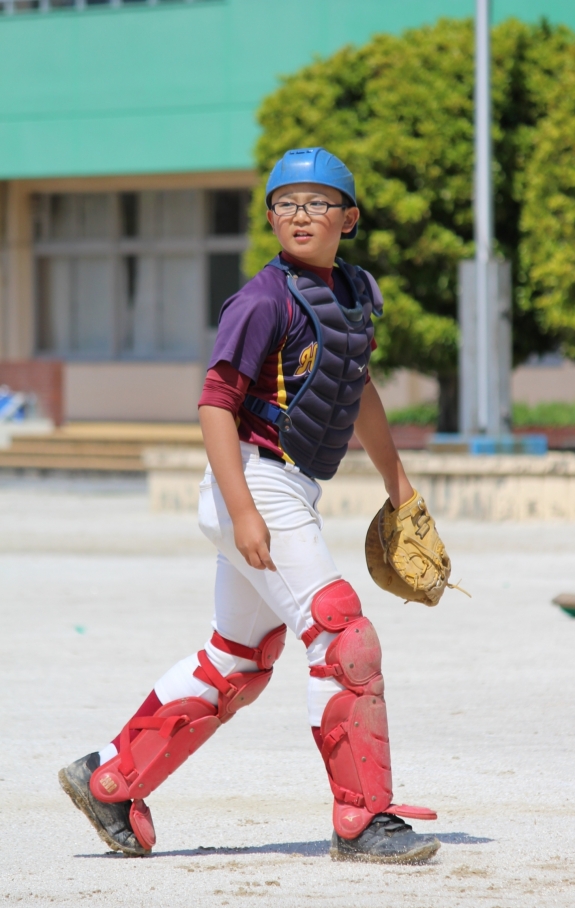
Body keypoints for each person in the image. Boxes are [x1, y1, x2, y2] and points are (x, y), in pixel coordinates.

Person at [59, 148, 440, 864]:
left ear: (349, 219)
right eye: (286, 203)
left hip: (286, 487)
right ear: (270, 217)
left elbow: (358, 390)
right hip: (254, 481)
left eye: (318, 202)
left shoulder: (354, 294)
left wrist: (400, 487)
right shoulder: (263, 299)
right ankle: (363, 820)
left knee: (238, 660)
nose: (301, 214)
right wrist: (241, 510)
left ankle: (110, 779)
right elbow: (215, 405)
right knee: (343, 637)